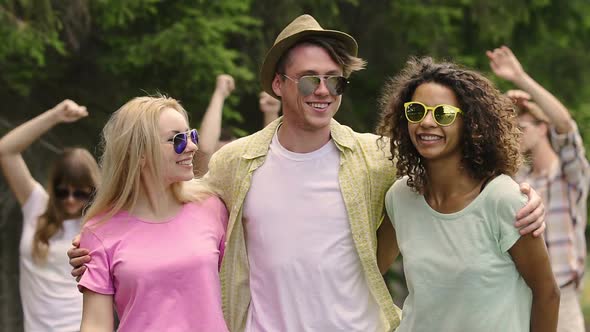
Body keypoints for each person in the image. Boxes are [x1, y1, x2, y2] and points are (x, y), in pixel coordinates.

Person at [70, 15, 546, 332]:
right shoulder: (234, 164)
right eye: (309, 79)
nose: (324, 90)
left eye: (333, 80)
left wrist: (522, 194)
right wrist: (103, 243)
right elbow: (171, 202)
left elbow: (454, 172)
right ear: (279, 84)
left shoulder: (376, 157)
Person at [376, 56, 560, 331]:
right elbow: (369, 273)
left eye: (443, 114)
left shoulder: (504, 199)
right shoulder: (400, 196)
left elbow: (547, 294)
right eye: (416, 111)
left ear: (471, 124)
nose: (426, 122)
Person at [77, 96, 229, 331]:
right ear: (139, 153)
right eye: (177, 139)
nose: (192, 146)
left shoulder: (213, 208)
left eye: (192, 135)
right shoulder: (98, 231)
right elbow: (95, 324)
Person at [488, 45, 590, 332]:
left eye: (522, 127)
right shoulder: (516, 178)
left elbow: (565, 125)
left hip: (564, 298)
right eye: (512, 128)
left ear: (542, 128)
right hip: (519, 296)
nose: (515, 134)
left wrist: (519, 78)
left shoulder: (570, 174)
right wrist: (503, 107)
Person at [0, 99, 99, 332]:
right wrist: (55, 115)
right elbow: (6, 150)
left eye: (80, 193)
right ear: (53, 187)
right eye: (63, 191)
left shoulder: (97, 222)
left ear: (92, 190)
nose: (71, 199)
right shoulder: (36, 205)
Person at [194, 74, 281, 176]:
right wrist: (219, 94)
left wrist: (271, 112)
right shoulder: (204, 181)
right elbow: (205, 149)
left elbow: (271, 154)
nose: (229, 162)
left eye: (233, 155)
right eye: (221, 157)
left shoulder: (250, 180)